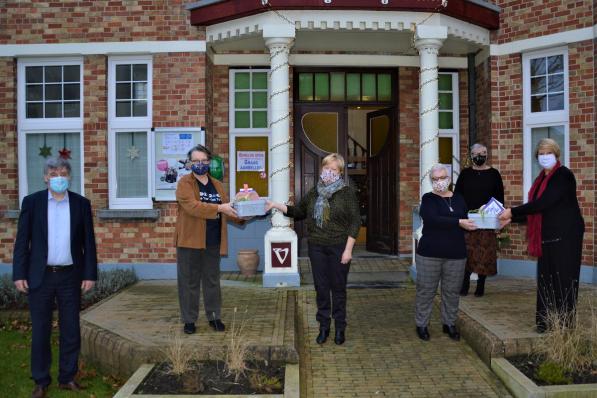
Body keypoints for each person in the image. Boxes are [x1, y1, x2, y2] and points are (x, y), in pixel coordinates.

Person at [13, 158, 98, 398]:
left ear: (69, 177)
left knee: (71, 328)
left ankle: (67, 377)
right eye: (53, 172)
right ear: (45, 177)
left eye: (62, 172)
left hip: (70, 275)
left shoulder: (81, 204)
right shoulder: (32, 203)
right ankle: (41, 380)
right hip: (40, 276)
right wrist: (19, 273)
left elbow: (88, 243)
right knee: (40, 330)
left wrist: (89, 274)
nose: (57, 176)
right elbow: (22, 242)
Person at [266, 153, 360, 345]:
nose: (329, 172)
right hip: (317, 247)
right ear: (322, 169)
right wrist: (275, 204)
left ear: (340, 172)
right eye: (327, 168)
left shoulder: (347, 193)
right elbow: (298, 211)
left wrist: (348, 250)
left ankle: (340, 328)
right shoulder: (315, 192)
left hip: (339, 247)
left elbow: (355, 222)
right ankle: (324, 327)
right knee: (322, 288)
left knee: (338, 289)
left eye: (334, 169)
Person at [499, 138, 584, 333]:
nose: (545, 156)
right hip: (547, 238)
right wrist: (512, 219)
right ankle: (545, 323)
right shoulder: (540, 180)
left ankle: (564, 327)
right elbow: (537, 212)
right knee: (546, 281)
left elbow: (545, 203)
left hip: (565, 238)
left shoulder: (564, 175)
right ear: (537, 157)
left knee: (564, 282)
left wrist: (511, 212)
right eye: (541, 153)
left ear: (557, 154)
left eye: (549, 152)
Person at [175, 144, 244, 335]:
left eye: (204, 160)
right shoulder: (184, 184)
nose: (200, 164)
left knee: (212, 281)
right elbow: (193, 207)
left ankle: (214, 317)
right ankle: (189, 320)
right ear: (190, 163)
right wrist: (220, 208)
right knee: (189, 282)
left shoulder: (217, 184)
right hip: (189, 242)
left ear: (209, 161)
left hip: (212, 241)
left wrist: (248, 212)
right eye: (195, 161)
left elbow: (228, 210)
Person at [415, 164, 477, 342]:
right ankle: (422, 324)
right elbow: (432, 219)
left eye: (442, 178)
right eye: (435, 179)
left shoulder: (459, 198)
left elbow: (466, 219)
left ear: (449, 179)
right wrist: (458, 222)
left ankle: (449, 323)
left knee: (451, 291)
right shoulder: (428, 199)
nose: (439, 182)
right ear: (431, 181)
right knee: (426, 291)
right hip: (429, 254)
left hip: (456, 254)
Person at [455, 143, 504, 297]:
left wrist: (499, 220)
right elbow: (457, 196)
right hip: (468, 220)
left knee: (485, 253)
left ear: (487, 154)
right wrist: (459, 216)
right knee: (467, 253)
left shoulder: (494, 174)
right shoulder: (465, 174)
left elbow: (499, 198)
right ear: (471, 156)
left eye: (483, 152)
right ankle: (465, 283)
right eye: (476, 153)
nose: (480, 156)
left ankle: (481, 285)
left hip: (487, 220)